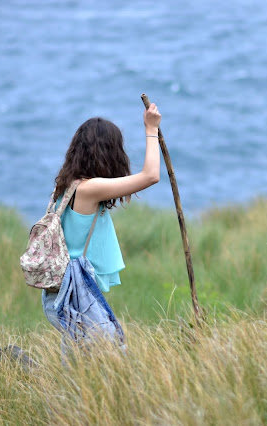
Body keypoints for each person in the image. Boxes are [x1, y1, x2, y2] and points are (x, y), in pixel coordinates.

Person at [41, 102, 162, 356]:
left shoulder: (63, 188)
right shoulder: (89, 189)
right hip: (75, 294)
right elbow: (151, 175)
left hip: (59, 293)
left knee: (78, 361)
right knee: (114, 357)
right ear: (107, 154)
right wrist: (151, 129)